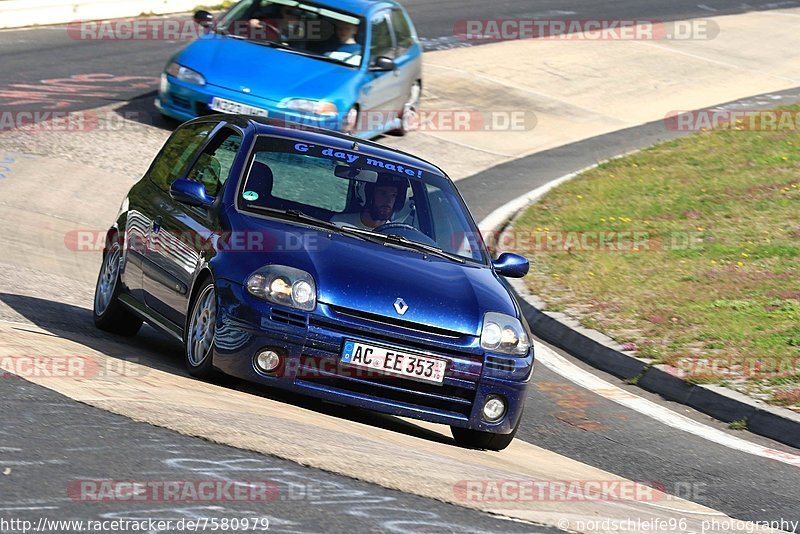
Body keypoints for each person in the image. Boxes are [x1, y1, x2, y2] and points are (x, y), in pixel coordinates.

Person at [331, 174, 408, 230]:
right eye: (383, 193)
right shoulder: (339, 223)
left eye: (393, 195)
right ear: (367, 195)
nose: (389, 200)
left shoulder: (395, 235)